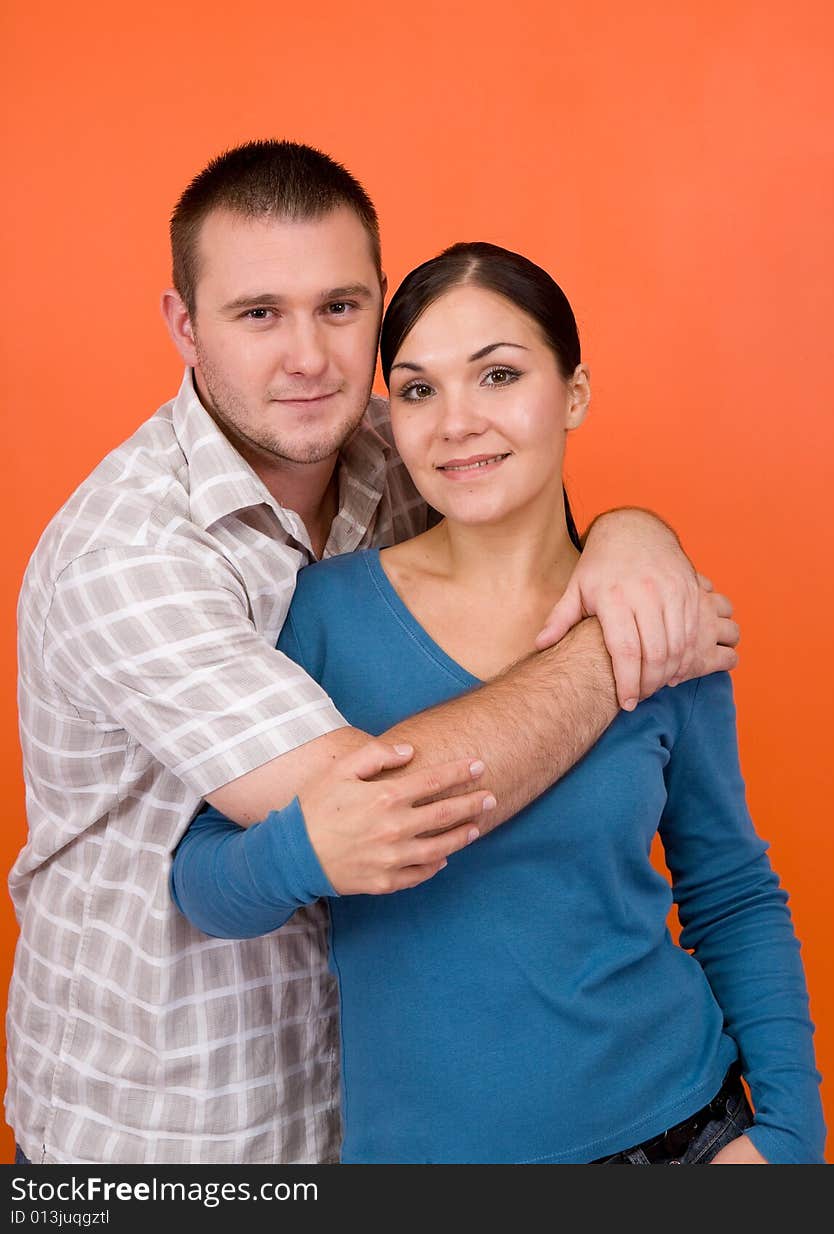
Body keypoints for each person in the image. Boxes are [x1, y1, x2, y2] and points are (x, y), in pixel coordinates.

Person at [8, 142, 738, 1166]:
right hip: (165, 1125)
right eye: (258, 313)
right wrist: (613, 647)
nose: (306, 355)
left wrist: (634, 533)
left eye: (340, 308)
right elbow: (389, 802)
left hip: (366, 1113)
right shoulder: (127, 555)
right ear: (184, 325)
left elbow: (528, 496)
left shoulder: (403, 452)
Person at [172, 242, 825, 1165]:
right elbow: (204, 883)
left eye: (500, 375)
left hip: (678, 1131)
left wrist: (791, 1139)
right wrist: (313, 846)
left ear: (576, 394)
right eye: (418, 390)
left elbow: (731, 890)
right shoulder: (325, 612)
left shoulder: (655, 614)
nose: (457, 423)